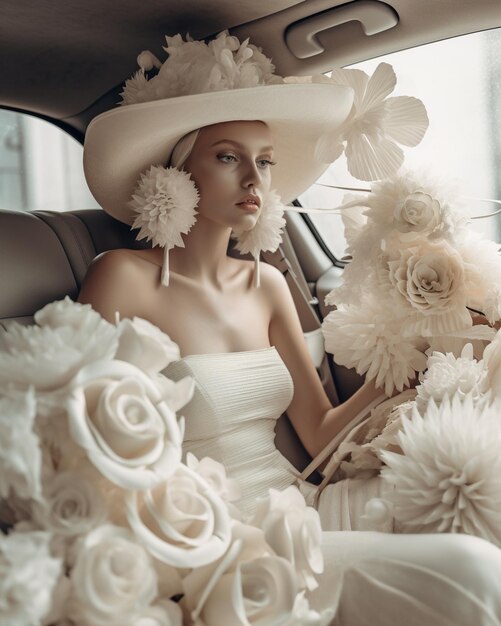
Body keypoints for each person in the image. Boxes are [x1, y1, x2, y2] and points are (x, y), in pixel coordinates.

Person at [78, 31, 501, 626]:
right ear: (176, 174)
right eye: (228, 157)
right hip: (226, 541)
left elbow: (320, 436)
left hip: (305, 504)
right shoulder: (119, 279)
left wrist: (412, 355)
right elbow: (86, 449)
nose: (255, 179)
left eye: (265, 161)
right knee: (471, 572)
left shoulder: (267, 284)